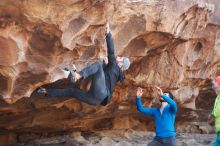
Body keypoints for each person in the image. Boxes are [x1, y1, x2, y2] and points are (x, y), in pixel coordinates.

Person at [37, 24, 130, 106]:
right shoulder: (116, 73)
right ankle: (46, 91)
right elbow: (106, 76)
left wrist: (108, 34)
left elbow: (111, 51)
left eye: (121, 58)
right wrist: (106, 65)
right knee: (71, 92)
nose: (118, 57)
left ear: (121, 65)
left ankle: (77, 75)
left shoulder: (115, 66)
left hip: (101, 92)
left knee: (97, 65)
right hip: (95, 100)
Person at [209, 76, 220, 146]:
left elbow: (217, 111)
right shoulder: (218, 97)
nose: (213, 84)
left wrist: (213, 115)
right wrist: (211, 115)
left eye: (215, 82)